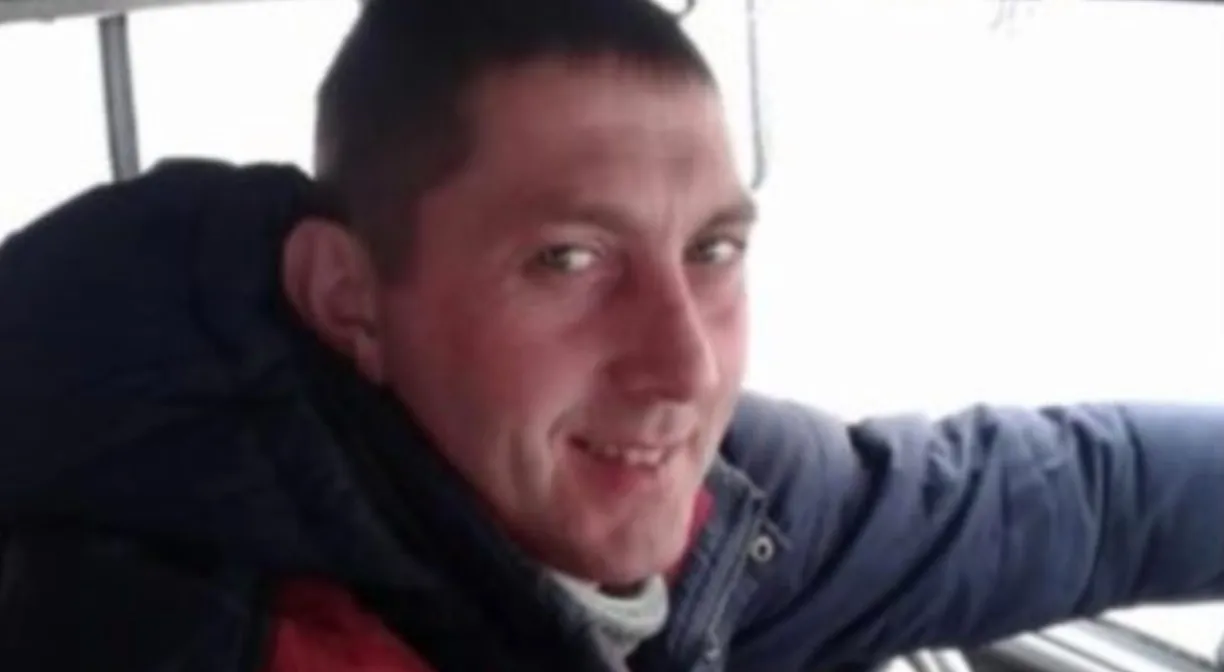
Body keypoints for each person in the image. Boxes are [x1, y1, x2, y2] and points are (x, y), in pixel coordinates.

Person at [0, 0, 1220, 670]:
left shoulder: (724, 516)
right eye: (569, 260)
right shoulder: (123, 618)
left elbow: (1064, 496)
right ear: (351, 301)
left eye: (713, 250)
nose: (687, 368)